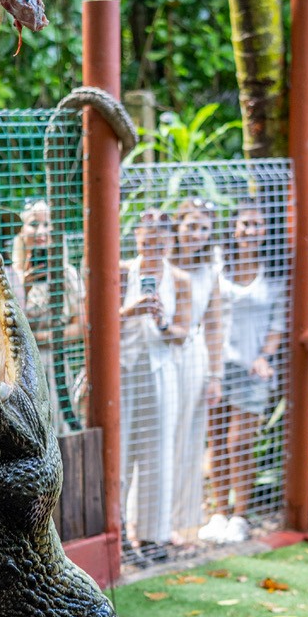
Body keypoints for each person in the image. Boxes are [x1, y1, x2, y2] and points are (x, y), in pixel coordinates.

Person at [199, 200, 285, 546]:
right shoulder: (217, 268)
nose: (250, 231)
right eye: (244, 225)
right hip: (217, 367)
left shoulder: (274, 274)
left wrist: (265, 357)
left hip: (253, 369)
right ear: (233, 230)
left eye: (256, 225)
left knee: (239, 442)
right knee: (217, 441)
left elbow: (278, 326)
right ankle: (219, 512)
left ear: (266, 231)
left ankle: (241, 516)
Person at [120, 207, 192, 564]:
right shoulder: (121, 272)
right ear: (137, 236)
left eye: (162, 236)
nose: (155, 241)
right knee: (120, 451)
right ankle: (116, 530)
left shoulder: (180, 279)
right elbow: (96, 319)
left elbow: (184, 333)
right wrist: (128, 311)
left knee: (157, 453)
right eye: (148, 235)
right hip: (122, 371)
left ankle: (151, 535)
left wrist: (164, 323)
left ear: (170, 240)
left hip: (161, 374)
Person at [170, 198, 223, 542]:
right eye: (191, 226)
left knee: (191, 438)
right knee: (161, 437)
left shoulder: (210, 271)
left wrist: (215, 376)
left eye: (204, 228)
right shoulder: (161, 263)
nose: (196, 234)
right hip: (160, 356)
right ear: (178, 226)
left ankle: (185, 523)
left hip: (195, 358)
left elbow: (215, 324)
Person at [11, 197, 86, 431]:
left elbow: (82, 326)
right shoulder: (10, 275)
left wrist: (42, 339)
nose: (41, 231)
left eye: (48, 225)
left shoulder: (67, 274)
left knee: (57, 430)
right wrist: (22, 289)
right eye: (34, 224)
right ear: (21, 231)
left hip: (55, 366)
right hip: (19, 368)